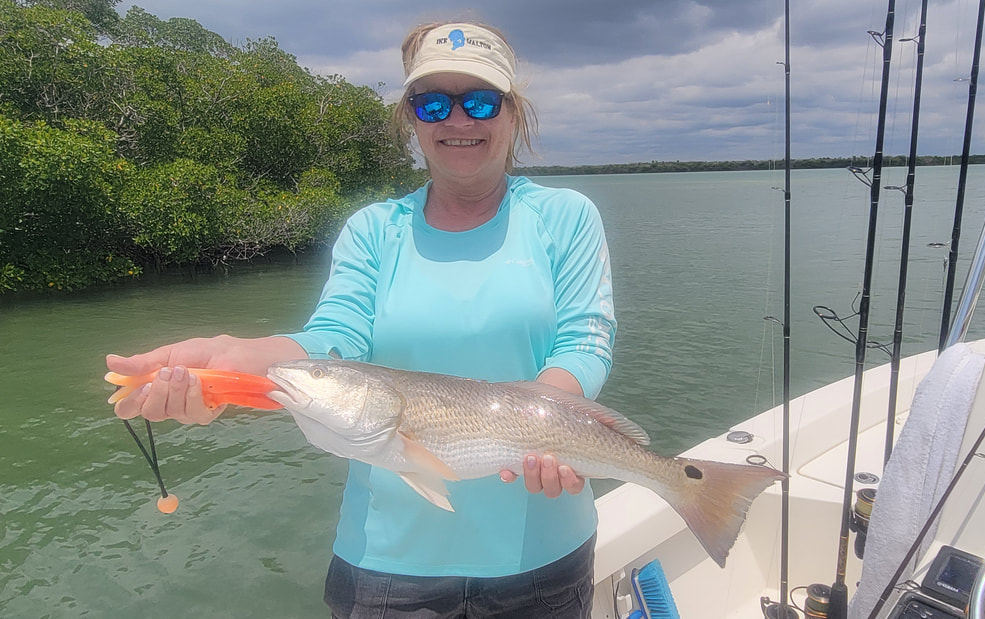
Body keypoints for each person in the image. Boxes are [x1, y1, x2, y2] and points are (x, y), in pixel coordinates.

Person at [107, 21, 616, 618]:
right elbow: (334, 341)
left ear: (513, 113)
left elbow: (584, 342)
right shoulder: (374, 230)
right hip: (389, 567)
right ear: (410, 118)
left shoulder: (565, 216)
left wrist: (545, 427)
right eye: (432, 103)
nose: (457, 121)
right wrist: (230, 361)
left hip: (543, 557)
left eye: (480, 101)